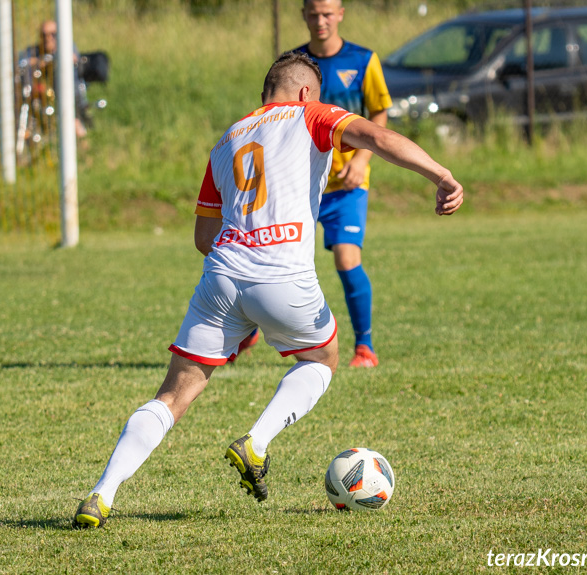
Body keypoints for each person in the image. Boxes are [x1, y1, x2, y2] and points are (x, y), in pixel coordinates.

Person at [71, 52, 463, 528]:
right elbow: (378, 137)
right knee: (323, 359)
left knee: (173, 396)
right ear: (304, 94)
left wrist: (241, 259)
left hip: (221, 275)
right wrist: (441, 175)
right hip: (282, 275)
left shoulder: (226, 139)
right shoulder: (310, 114)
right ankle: (255, 443)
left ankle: (101, 493)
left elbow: (201, 237)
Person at [293, 0, 392, 368]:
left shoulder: (364, 60)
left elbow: (378, 112)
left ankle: (364, 346)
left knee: (347, 259)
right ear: (304, 14)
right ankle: (251, 332)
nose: (321, 20)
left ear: (341, 14)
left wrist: (363, 158)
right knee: (274, 259)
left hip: (346, 184)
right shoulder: (294, 65)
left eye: (328, 13)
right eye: (314, 13)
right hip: (301, 182)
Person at [18, 19, 88, 138]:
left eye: (53, 34)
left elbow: (74, 58)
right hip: (39, 90)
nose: (48, 38)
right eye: (44, 35)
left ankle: (77, 126)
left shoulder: (67, 47)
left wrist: (53, 59)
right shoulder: (34, 50)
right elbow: (22, 61)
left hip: (63, 90)